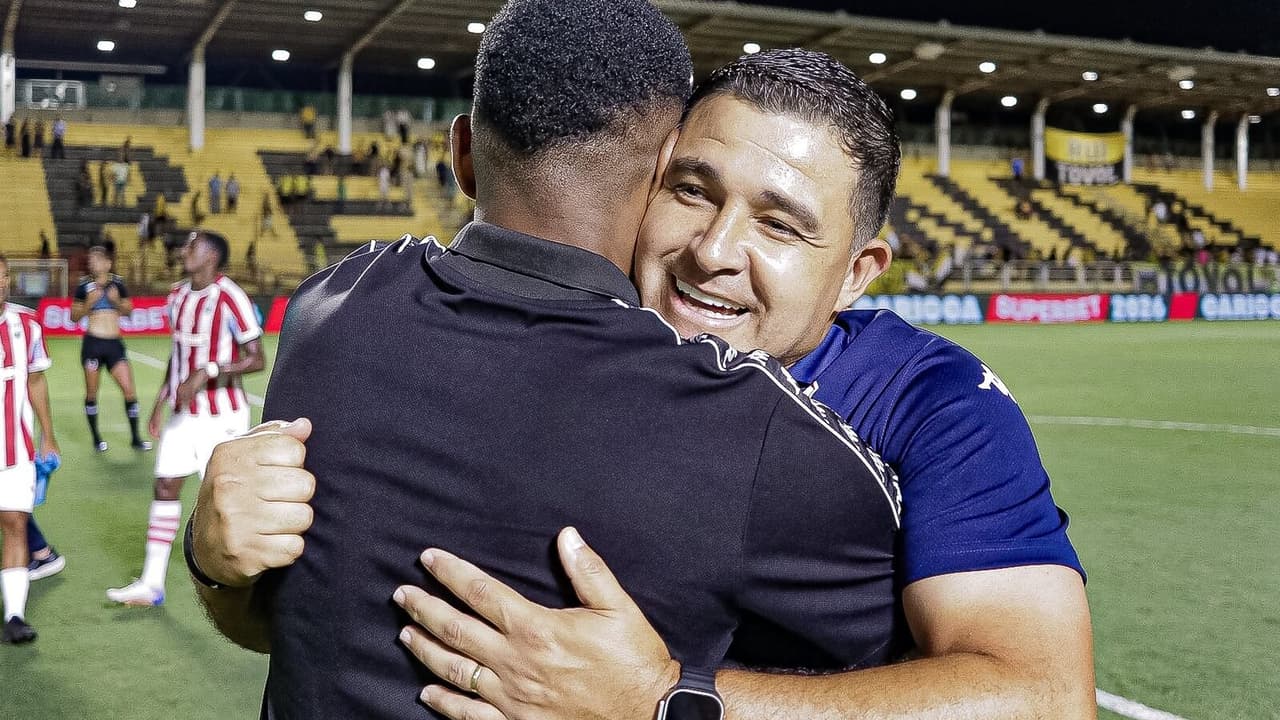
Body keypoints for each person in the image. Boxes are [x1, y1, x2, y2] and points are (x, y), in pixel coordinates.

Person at [198, 47, 1095, 719]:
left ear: (859, 271)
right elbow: (348, 626)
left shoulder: (928, 404)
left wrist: (668, 701)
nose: (712, 252)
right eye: (694, 190)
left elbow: (1046, 697)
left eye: (780, 225)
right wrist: (221, 568)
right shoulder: (537, 348)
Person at [106, 231, 265, 607]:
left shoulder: (231, 297)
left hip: (222, 413)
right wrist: (161, 398)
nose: (183, 250)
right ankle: (151, 583)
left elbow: (256, 358)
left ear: (211, 257)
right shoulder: (177, 296)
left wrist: (207, 371)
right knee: (164, 486)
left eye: (192, 246)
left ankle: (253, 584)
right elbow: (178, 355)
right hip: (183, 415)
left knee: (225, 499)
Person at [0, 255, 59, 644]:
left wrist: (47, 434)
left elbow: (36, 381)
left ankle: (15, 615)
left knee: (15, 523)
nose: (0, 284)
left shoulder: (26, 325)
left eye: (3, 277)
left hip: (15, 449)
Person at [71, 244, 151, 454]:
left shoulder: (118, 284)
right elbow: (74, 317)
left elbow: (129, 312)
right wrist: (89, 304)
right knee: (91, 393)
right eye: (91, 260)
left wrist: (116, 301)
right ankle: (97, 438)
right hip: (93, 344)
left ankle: (135, 438)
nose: (92, 263)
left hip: (114, 344)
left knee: (129, 390)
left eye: (96, 259)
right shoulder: (84, 287)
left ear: (107, 263)